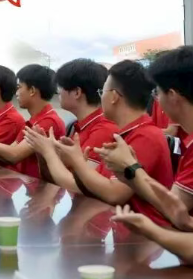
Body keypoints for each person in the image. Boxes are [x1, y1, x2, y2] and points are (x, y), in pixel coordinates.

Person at [25, 60, 173, 227]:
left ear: (114, 96)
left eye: (103, 91)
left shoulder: (145, 136)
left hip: (144, 235)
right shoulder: (127, 134)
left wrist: (52, 153)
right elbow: (92, 184)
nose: (100, 97)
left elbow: (112, 193)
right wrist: (52, 153)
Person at [96, 47, 193, 231]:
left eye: (158, 93)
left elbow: (175, 211)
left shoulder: (146, 135)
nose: (156, 100)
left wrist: (131, 169)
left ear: (172, 96)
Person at [52, 59, 117, 165]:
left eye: (61, 87)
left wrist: (47, 151)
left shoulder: (103, 130)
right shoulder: (79, 125)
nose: (59, 91)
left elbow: (83, 175)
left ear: (77, 92)